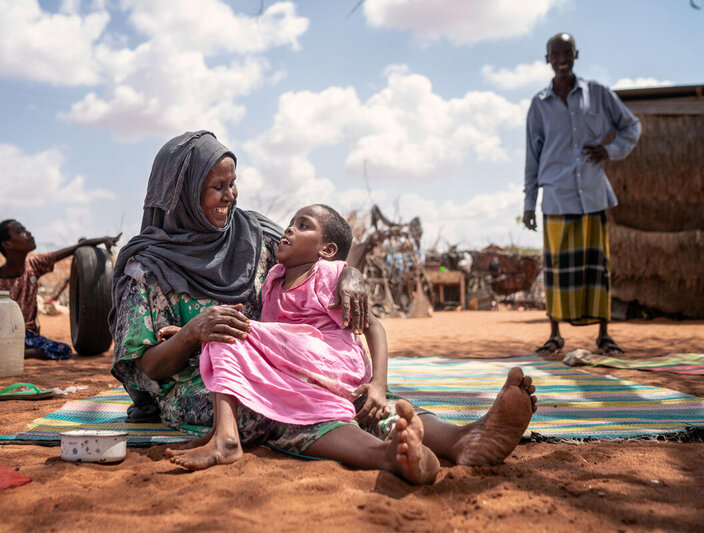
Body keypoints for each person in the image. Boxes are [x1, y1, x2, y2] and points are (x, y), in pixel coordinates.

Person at [111, 130, 537, 486]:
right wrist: (190, 334)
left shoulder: (253, 233)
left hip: (279, 358)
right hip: (200, 387)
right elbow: (145, 368)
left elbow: (319, 254)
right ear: (181, 194)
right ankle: (385, 454)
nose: (230, 197)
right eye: (217, 188)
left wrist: (351, 275)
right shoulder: (145, 270)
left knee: (352, 392)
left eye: (232, 184)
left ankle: (460, 439)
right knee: (277, 406)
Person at [168, 204, 393, 470]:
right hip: (304, 368)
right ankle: (220, 431)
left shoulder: (329, 274)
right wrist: (189, 333)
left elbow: (373, 327)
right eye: (292, 222)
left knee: (225, 328)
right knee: (223, 331)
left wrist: (378, 384)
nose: (289, 229)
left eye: (303, 225)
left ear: (327, 250)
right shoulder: (273, 281)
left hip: (335, 361)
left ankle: (226, 440)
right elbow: (270, 340)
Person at [523, 33, 641, 356]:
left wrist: (610, 150)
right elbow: (532, 156)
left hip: (592, 196)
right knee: (558, 270)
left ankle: (604, 336)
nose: (562, 58)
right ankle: (555, 335)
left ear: (577, 55)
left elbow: (632, 127)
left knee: (597, 269)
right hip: (557, 198)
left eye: (568, 52)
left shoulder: (599, 95)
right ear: (547, 58)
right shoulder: (539, 104)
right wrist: (528, 203)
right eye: (555, 53)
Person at [0, 220, 120, 361]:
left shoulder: (33, 265)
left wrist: (102, 239)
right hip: (0, 338)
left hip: (27, 338)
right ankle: (11, 354)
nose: (29, 233)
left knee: (63, 350)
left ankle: (9, 354)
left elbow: (73, 248)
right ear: (7, 244)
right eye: (21, 231)